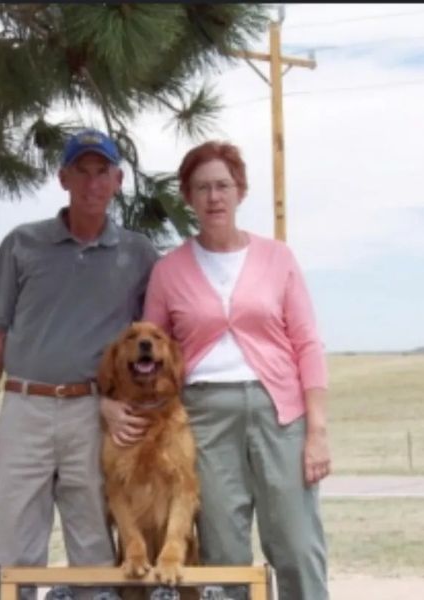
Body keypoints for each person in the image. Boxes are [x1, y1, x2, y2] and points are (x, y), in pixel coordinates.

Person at [102, 140, 331, 600]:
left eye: (223, 186)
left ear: (240, 191)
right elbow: (149, 352)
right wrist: (108, 401)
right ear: (188, 197)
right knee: (223, 549)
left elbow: (307, 342)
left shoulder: (277, 259)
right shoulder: (169, 271)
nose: (214, 197)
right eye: (202, 187)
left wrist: (317, 430)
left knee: (296, 542)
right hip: (204, 415)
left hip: (278, 412)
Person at [0, 128, 159, 600]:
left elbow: (147, 348)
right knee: (7, 544)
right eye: (82, 172)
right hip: (24, 407)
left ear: (118, 181)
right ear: (63, 178)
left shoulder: (138, 254)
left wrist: (119, 404)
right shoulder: (22, 244)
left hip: (93, 413)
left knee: (92, 540)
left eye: (103, 174)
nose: (93, 184)